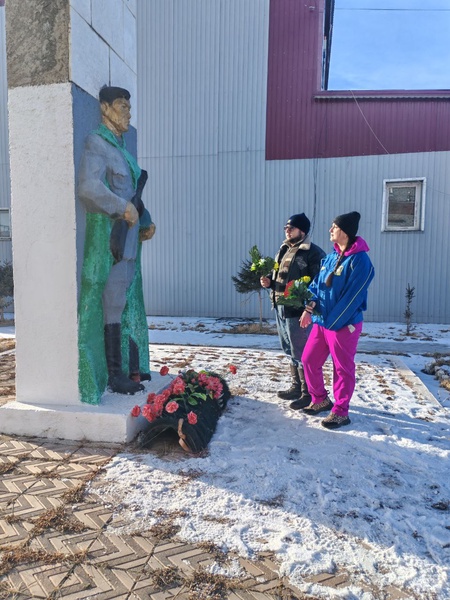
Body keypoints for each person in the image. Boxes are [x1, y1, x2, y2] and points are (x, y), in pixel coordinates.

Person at [77, 86, 156, 403]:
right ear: (105, 108)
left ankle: (124, 369)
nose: (128, 112)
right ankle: (112, 375)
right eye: (122, 106)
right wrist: (119, 207)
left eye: (129, 106)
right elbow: (88, 188)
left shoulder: (122, 151)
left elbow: (132, 195)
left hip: (128, 244)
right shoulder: (97, 144)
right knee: (110, 303)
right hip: (109, 242)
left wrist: (146, 220)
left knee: (121, 303)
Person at [299, 211, 375, 429]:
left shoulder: (360, 261)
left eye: (334, 226)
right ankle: (320, 399)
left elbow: (353, 297)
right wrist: (309, 308)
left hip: (344, 325)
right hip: (322, 322)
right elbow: (316, 287)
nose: (330, 230)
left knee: (342, 368)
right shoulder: (330, 257)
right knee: (309, 360)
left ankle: (341, 411)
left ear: (346, 231)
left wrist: (332, 323)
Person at [260, 213, 325, 409]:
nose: (287, 230)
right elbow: (278, 276)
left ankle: (307, 393)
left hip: (299, 311)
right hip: (281, 307)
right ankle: (296, 386)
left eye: (291, 227)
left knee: (302, 351)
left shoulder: (313, 253)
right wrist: (269, 283)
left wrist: (309, 308)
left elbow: (318, 285)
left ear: (302, 231)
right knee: (289, 349)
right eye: (286, 227)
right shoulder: (283, 249)